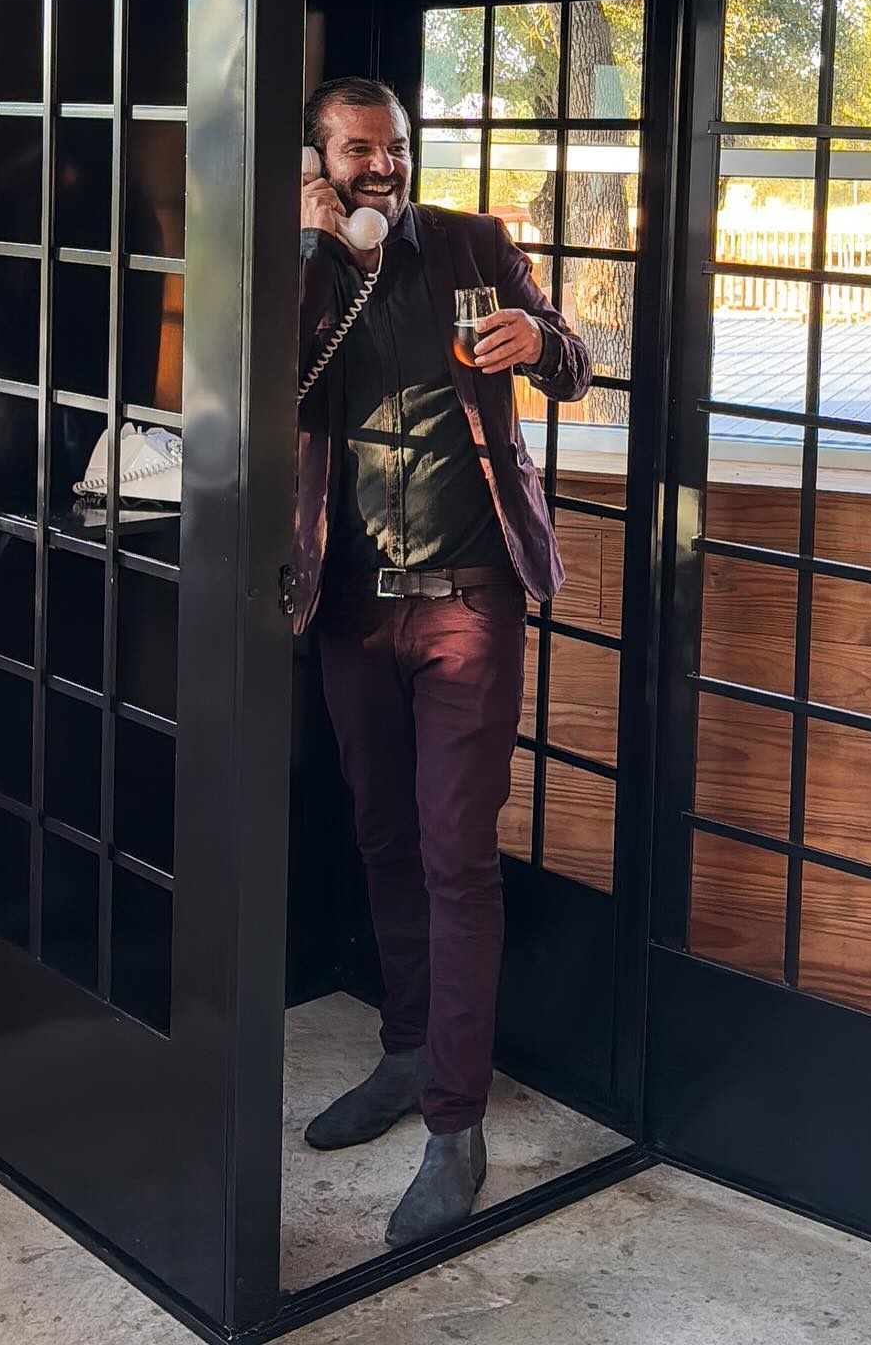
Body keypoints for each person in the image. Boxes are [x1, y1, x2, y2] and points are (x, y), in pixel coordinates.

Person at [294, 75, 592, 1249]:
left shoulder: (470, 244)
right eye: (359, 150)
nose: (383, 167)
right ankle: (406, 1053)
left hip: (469, 599)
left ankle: (453, 1127)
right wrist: (311, 249)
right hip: (353, 610)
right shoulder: (304, 263)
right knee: (380, 840)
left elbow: (572, 359)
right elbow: (255, 384)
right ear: (322, 163)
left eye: (395, 147)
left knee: (456, 858)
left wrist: (549, 341)